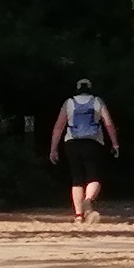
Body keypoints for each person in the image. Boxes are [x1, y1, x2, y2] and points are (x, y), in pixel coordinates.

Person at [50, 78, 119, 224]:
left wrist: (53, 149)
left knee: (77, 179)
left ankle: (79, 215)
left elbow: (58, 127)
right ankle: (88, 200)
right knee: (94, 177)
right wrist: (115, 144)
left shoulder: (69, 103)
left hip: (72, 143)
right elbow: (109, 124)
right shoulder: (97, 102)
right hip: (93, 142)